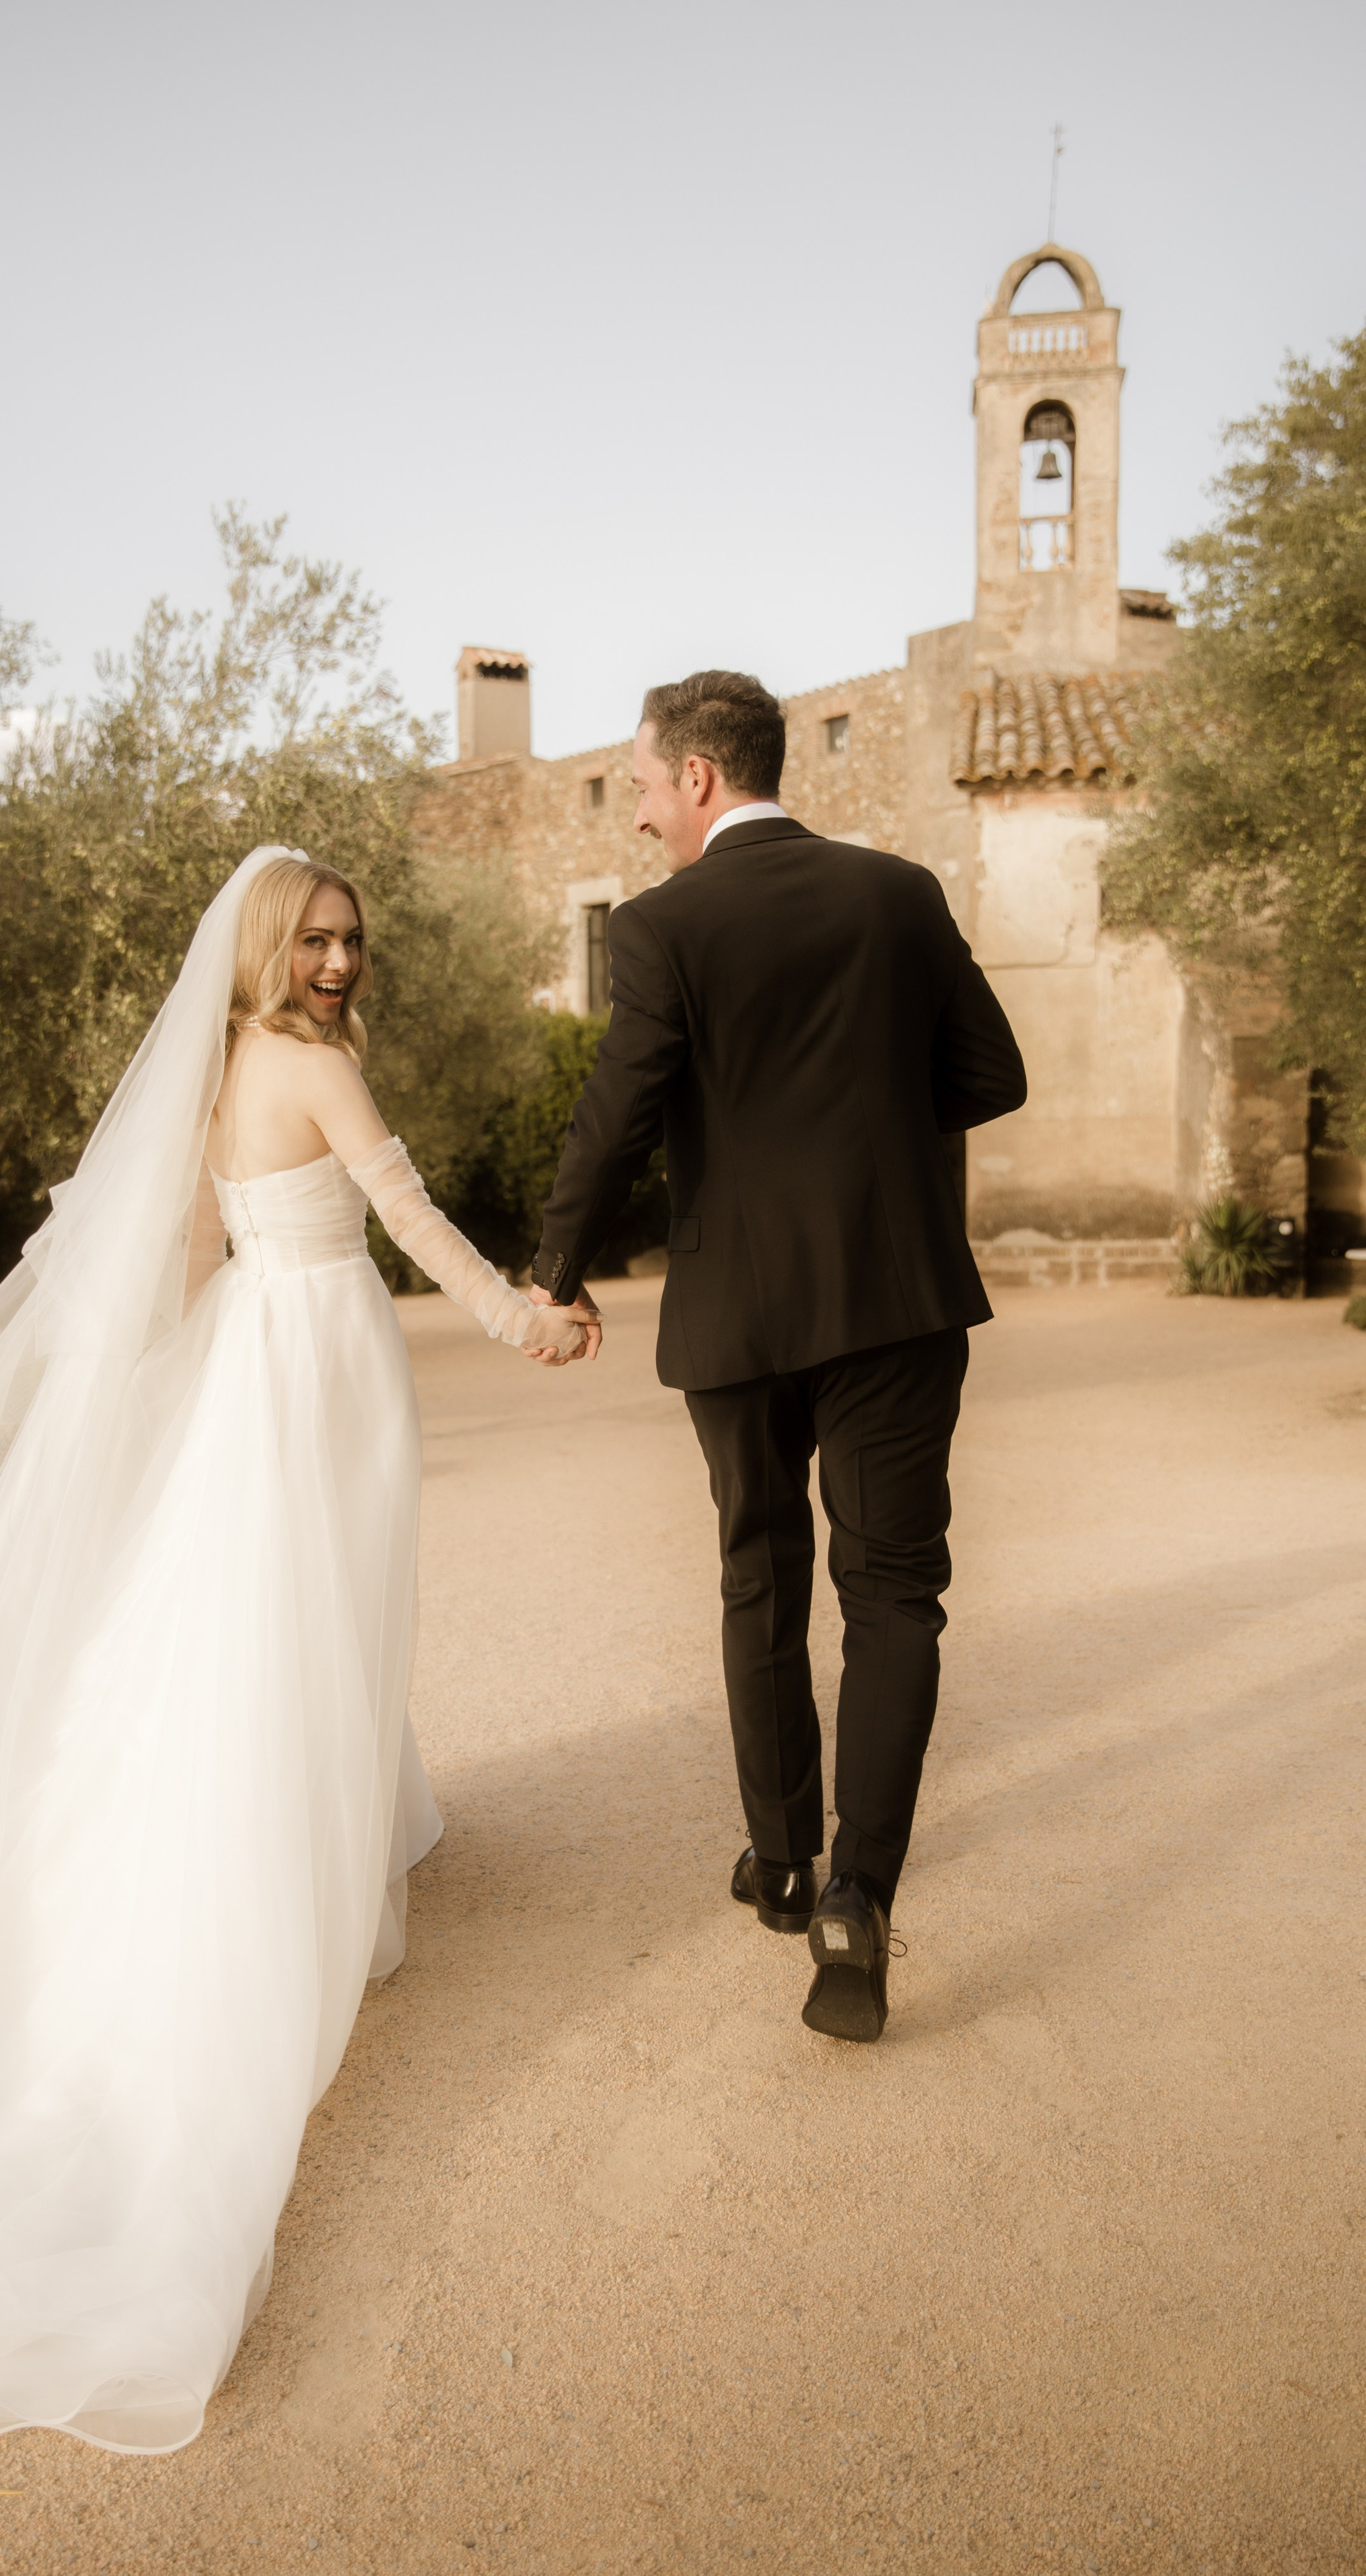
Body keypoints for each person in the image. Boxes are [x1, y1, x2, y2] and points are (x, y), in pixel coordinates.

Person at [0, 845, 590, 2471]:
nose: (342, 960)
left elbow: (192, 1256)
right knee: (306, 1603)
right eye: (315, 937)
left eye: (352, 939)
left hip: (267, 1364)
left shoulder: (223, 1069)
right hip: (308, 1368)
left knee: (272, 1609)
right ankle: (272, 1870)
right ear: (261, 950)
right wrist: (523, 1319)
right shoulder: (298, 1063)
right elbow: (404, 1214)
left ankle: (333, 1823)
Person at [530, 671, 1027, 2043]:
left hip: (738, 1319)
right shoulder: (899, 892)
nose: (635, 818)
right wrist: (868, 1131)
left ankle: (780, 1861)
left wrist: (554, 1271)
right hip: (896, 1301)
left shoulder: (662, 928)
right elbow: (994, 1076)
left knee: (760, 1578)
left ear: (696, 779)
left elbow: (616, 1117)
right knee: (894, 1597)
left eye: (637, 787)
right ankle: (856, 1900)